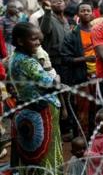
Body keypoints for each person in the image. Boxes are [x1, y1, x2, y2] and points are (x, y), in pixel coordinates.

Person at [9, 22, 63, 175]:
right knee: (47, 153)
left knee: (30, 153)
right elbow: (52, 84)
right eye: (34, 39)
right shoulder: (28, 62)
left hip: (28, 108)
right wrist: (57, 77)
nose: (38, 42)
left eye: (39, 39)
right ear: (20, 41)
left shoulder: (15, 57)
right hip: (42, 111)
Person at [61, 2, 97, 138]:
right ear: (78, 14)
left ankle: (95, 142)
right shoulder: (72, 35)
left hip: (98, 77)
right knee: (82, 112)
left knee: (96, 110)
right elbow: (65, 59)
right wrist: (85, 60)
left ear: (93, 13)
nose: (86, 12)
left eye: (88, 10)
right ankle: (82, 143)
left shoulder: (97, 31)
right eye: (83, 10)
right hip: (82, 78)